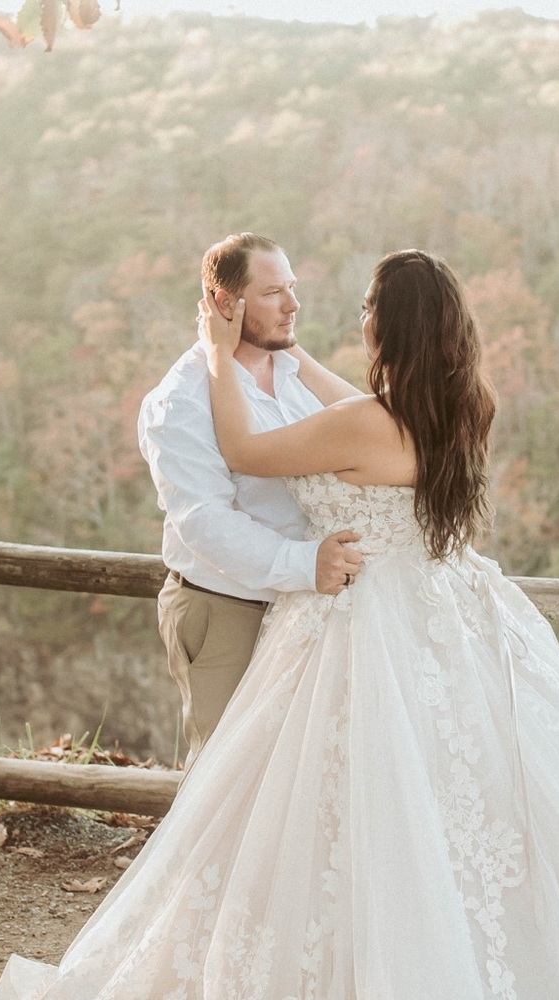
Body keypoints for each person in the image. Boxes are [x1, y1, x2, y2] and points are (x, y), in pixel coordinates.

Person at [0, 250, 559, 999]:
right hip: (444, 610)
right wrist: (293, 366)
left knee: (341, 799)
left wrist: (222, 358)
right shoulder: (456, 405)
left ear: (393, 328)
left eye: (370, 310)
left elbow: (245, 453)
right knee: (449, 796)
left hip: (361, 619)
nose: (356, 319)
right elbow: (340, 398)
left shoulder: (365, 426)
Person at [137, 233, 364, 764]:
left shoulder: (292, 374)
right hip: (228, 608)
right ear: (223, 303)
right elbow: (206, 522)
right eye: (272, 293)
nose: (293, 305)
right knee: (228, 775)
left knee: (303, 772)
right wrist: (308, 563)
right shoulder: (180, 401)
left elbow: (371, 428)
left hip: (310, 604)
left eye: (292, 287)